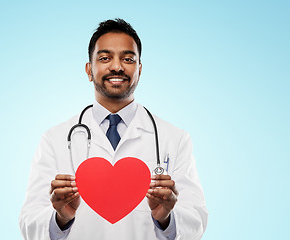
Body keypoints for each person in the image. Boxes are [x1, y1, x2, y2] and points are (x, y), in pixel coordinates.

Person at [19, 18, 208, 240]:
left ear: (139, 69)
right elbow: (29, 223)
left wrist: (165, 218)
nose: (117, 66)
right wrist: (61, 218)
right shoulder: (54, 139)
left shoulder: (175, 139)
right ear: (89, 70)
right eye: (105, 58)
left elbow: (196, 221)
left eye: (128, 59)